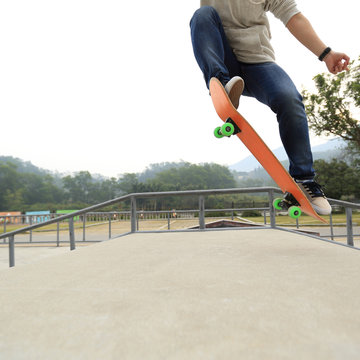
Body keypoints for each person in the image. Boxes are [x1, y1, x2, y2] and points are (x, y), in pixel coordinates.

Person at [189, 0, 350, 215]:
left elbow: (294, 18)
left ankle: (305, 179)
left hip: (259, 63)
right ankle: (221, 84)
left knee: (289, 99)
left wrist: (326, 53)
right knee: (202, 15)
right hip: (224, 61)